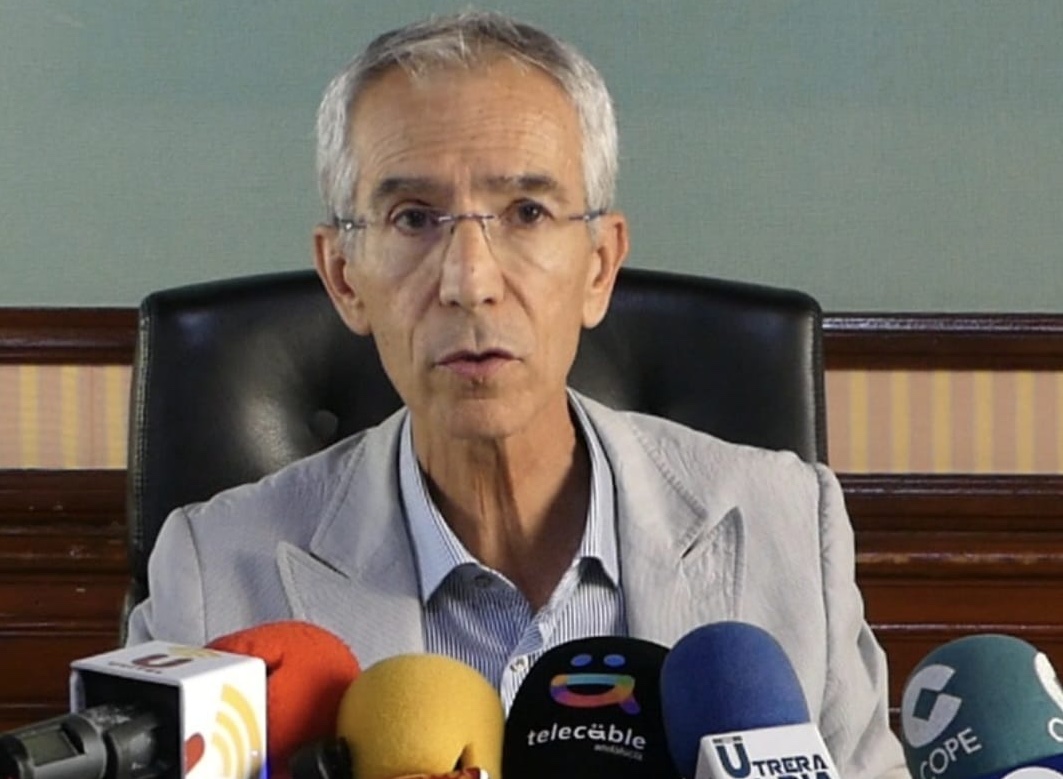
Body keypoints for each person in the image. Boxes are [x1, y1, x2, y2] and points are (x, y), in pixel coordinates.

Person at [126, 11, 907, 778]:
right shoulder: (217, 570)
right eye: (413, 218)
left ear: (598, 265)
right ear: (343, 278)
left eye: (526, 213)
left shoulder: (783, 526)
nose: (470, 281)